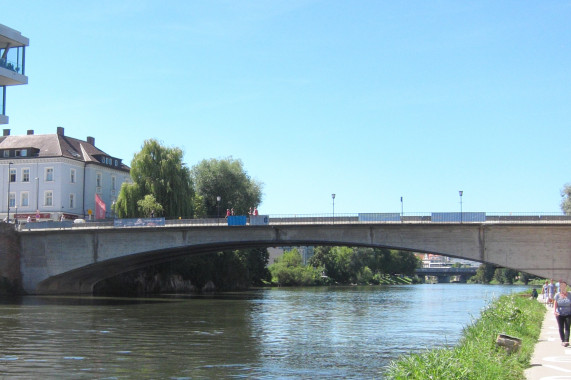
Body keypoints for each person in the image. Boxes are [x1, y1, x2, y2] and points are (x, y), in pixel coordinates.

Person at [554, 280, 571, 347]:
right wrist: (555, 311)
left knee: (567, 327)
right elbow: (555, 303)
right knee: (561, 328)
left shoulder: (569, 294)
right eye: (561, 286)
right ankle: (563, 340)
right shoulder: (557, 295)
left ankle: (566, 341)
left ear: (566, 286)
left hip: (568, 313)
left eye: (564, 286)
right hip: (559, 313)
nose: (563, 287)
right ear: (560, 287)